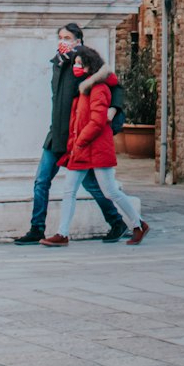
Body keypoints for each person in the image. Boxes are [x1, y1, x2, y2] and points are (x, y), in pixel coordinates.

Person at [14, 23, 126, 245]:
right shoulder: (58, 62)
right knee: (42, 180)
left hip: (76, 135)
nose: (62, 41)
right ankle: (37, 228)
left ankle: (117, 222)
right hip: (56, 134)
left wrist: (114, 108)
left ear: (78, 41)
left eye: (67, 37)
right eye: (60, 37)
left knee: (91, 184)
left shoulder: (84, 61)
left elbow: (113, 84)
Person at [41, 45, 148, 247]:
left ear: (90, 66)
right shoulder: (84, 89)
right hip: (81, 149)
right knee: (69, 190)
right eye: (75, 63)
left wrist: (80, 141)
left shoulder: (99, 89)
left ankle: (138, 224)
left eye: (80, 64)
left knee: (110, 191)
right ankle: (62, 233)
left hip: (96, 147)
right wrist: (76, 144)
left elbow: (97, 121)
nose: (77, 67)